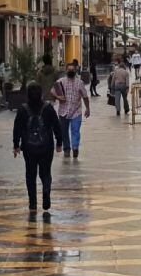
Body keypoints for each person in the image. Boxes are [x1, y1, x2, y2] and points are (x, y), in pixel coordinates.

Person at [12, 82, 63, 213]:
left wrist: (16, 145)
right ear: (41, 94)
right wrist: (59, 142)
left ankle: (33, 203)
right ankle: (46, 189)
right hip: (46, 147)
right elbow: (56, 125)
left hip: (28, 148)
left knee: (30, 174)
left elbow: (17, 128)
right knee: (45, 172)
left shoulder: (23, 110)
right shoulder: (48, 108)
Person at [52, 61, 91, 158]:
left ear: (76, 70)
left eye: (72, 70)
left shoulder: (80, 83)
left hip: (76, 112)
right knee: (64, 131)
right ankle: (66, 149)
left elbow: (85, 96)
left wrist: (87, 108)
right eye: (69, 70)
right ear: (66, 70)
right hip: (63, 111)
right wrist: (58, 97)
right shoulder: (60, 82)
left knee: (75, 130)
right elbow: (52, 92)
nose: (71, 71)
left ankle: (75, 148)